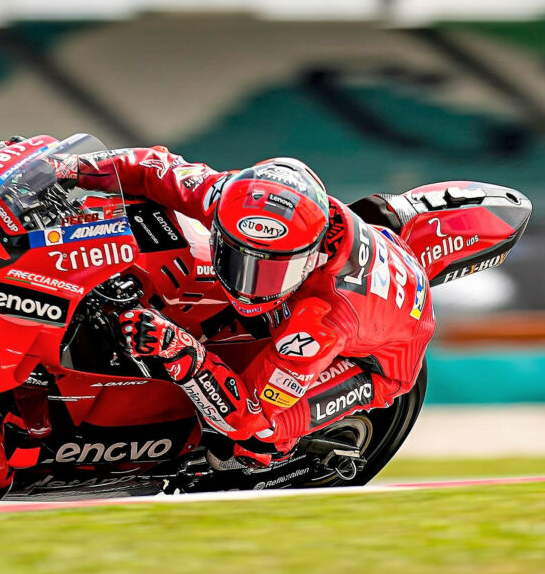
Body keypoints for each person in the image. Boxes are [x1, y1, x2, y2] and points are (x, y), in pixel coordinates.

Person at [67, 148, 438, 466]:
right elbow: (152, 168)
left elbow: (249, 414)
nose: (250, 285)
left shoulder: (321, 321)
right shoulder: (228, 197)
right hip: (349, 283)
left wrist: (177, 349)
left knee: (259, 435)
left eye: (274, 270)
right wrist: (69, 167)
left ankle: (266, 460)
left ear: (311, 257)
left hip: (376, 362)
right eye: (237, 257)